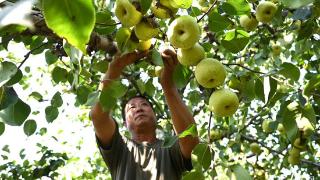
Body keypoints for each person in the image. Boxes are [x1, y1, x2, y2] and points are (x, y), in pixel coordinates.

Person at [90, 49, 199, 180]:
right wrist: (114, 68)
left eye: (144, 105)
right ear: (125, 124)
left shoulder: (170, 148)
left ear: (156, 118)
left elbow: (192, 144)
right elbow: (98, 117)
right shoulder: (119, 148)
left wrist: (168, 87)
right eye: (131, 108)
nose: (138, 109)